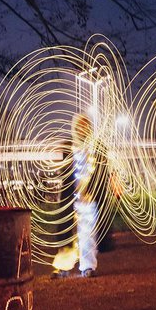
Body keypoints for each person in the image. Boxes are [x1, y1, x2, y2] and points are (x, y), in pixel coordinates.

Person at [53, 113, 101, 278]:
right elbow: (64, 174)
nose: (82, 129)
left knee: (87, 235)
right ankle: (63, 267)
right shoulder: (69, 147)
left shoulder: (96, 149)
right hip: (71, 199)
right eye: (79, 125)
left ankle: (88, 267)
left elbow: (101, 174)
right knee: (67, 235)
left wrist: (92, 191)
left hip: (88, 199)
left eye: (85, 125)